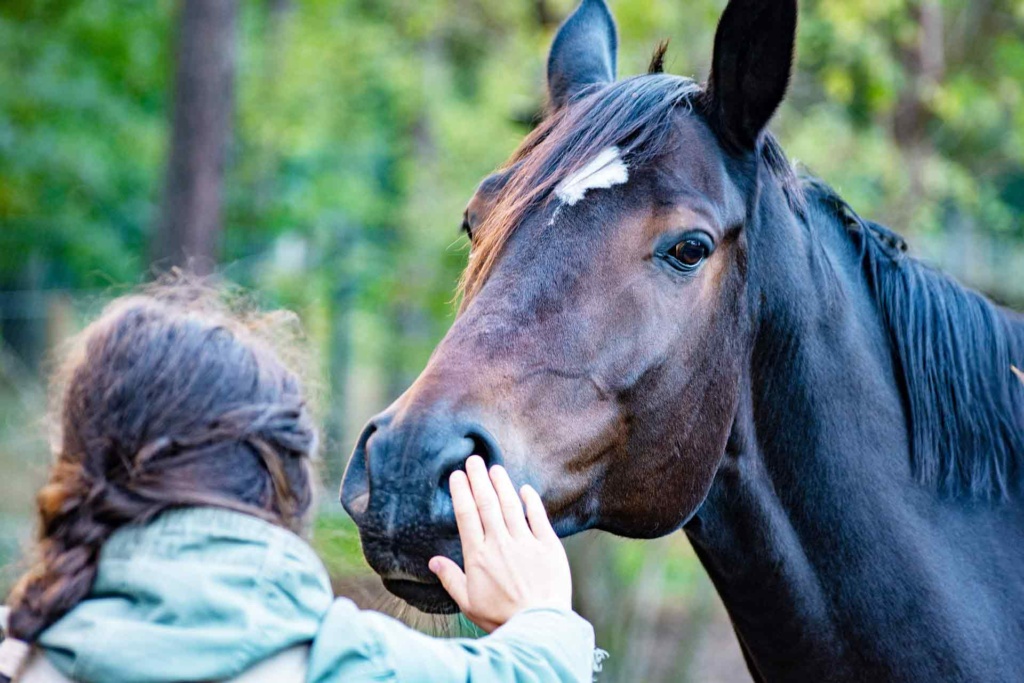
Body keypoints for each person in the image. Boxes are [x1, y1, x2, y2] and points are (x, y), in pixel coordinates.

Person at [0, 286, 598, 682]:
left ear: (75, 472)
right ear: (284, 481)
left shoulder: (19, 657)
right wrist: (543, 619)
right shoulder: (366, 667)